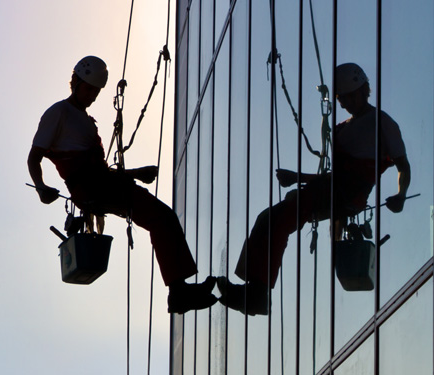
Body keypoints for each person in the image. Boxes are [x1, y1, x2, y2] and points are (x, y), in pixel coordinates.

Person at [28, 56, 217, 314]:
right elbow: (34, 157)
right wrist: (40, 187)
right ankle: (178, 292)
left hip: (99, 184)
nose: (93, 95)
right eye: (89, 89)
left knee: (162, 217)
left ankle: (179, 288)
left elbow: (99, 171)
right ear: (75, 83)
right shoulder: (58, 113)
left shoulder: (84, 120)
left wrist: (136, 173)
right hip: (92, 188)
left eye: (96, 91)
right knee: (160, 217)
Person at [218, 63, 411, 315]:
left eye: (353, 95)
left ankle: (257, 294)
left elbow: (402, 166)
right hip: (335, 189)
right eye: (344, 98)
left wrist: (401, 195)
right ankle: (255, 289)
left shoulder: (383, 123)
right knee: (268, 218)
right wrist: (298, 177)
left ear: (365, 90)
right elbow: (336, 176)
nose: (349, 102)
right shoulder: (342, 129)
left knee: (281, 218)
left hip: (347, 193)